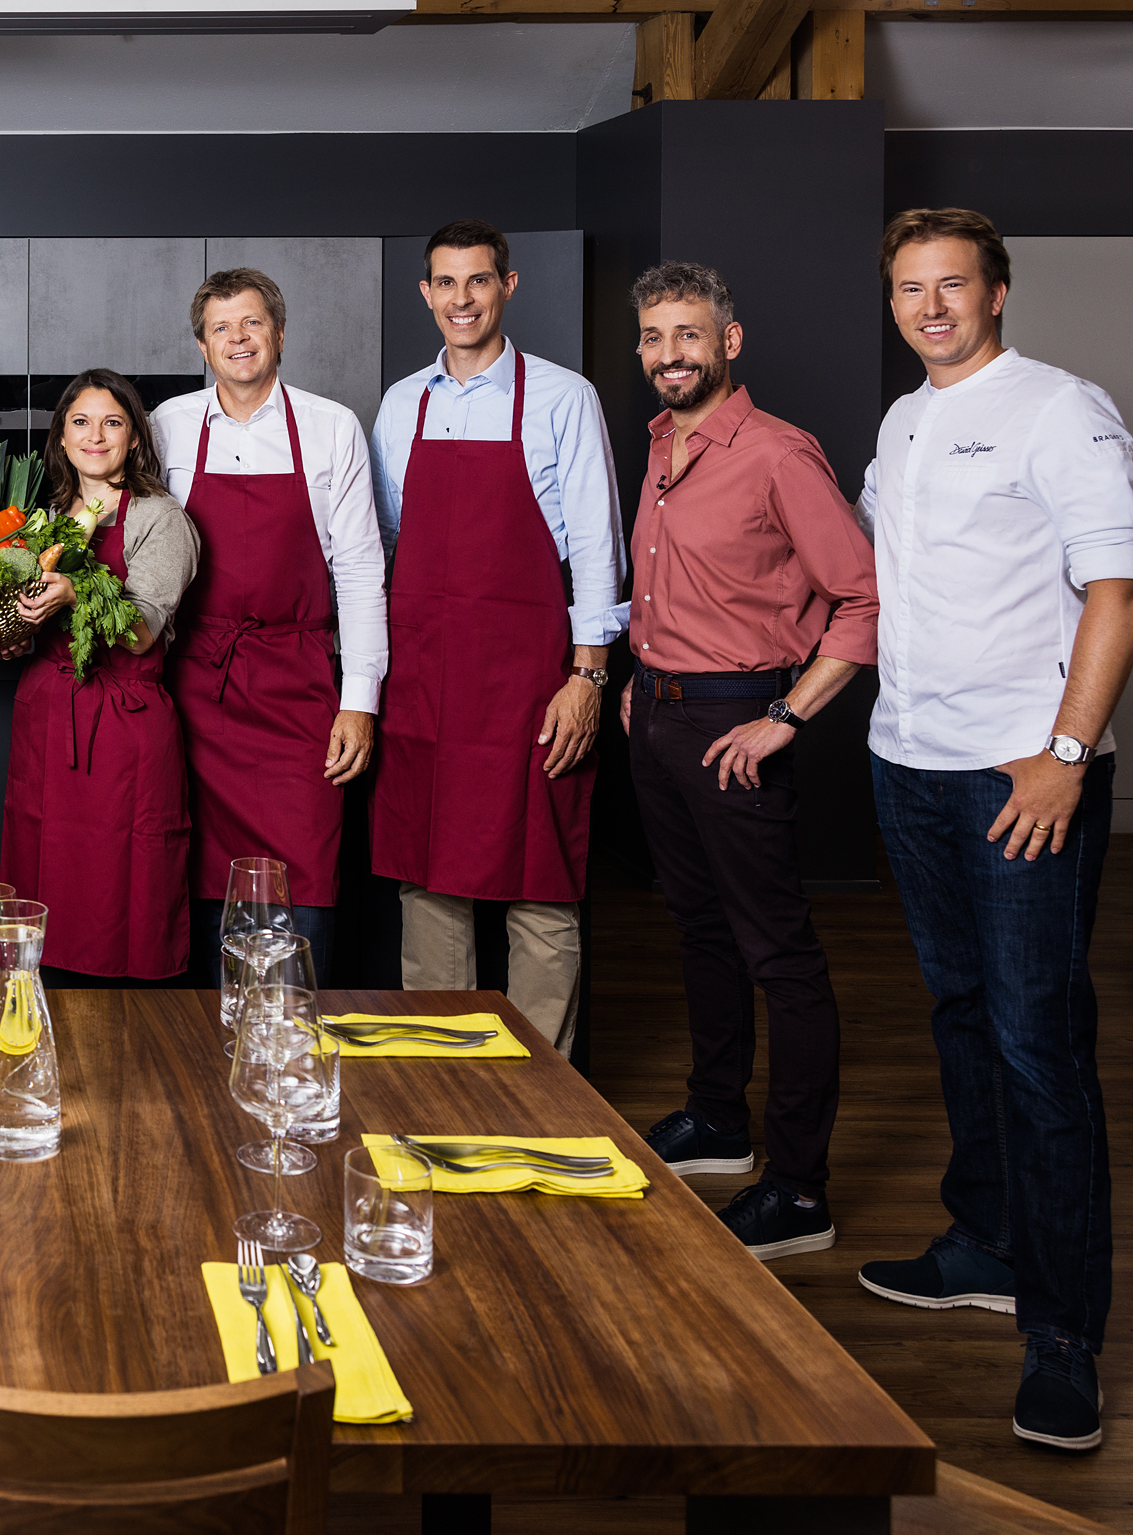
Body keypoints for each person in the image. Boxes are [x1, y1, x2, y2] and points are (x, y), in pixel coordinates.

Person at [853, 208, 1133, 1454]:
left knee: (1038, 1044)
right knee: (960, 1011)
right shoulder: (901, 418)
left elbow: (1115, 592)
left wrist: (1066, 756)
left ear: (996, 292)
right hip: (907, 761)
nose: (928, 306)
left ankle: (1062, 1332)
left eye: (950, 285)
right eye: (909, 288)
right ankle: (984, 1238)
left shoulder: (1058, 408)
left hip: (1017, 777)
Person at [619, 261, 878, 1261]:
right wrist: (644, 680)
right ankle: (717, 1118)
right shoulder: (657, 442)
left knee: (779, 953)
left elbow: (859, 597)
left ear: (728, 342)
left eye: (687, 334)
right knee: (698, 930)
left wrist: (784, 715)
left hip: (737, 718)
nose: (667, 353)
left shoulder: (775, 454)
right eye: (652, 337)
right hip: (660, 713)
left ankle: (799, 1189)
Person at [368, 220, 626, 1056]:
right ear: (425, 293)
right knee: (427, 882)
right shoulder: (402, 402)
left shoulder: (562, 396)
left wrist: (586, 676)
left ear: (507, 287)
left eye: (477, 281)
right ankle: (440, 1070)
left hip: (528, 679)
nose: (461, 299)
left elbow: (595, 546)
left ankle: (540, 1082)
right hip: (425, 678)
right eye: (445, 283)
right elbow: (390, 538)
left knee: (539, 882)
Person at [151, 269, 385, 976]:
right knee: (196, 873)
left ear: (279, 333)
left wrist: (359, 701)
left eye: (251, 323)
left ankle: (285, 1045)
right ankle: (203, 1050)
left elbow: (360, 571)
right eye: (221, 328)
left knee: (304, 866)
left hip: (298, 687)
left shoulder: (330, 425)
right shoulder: (167, 425)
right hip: (196, 685)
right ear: (201, 344)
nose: (237, 339)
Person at [1, 369, 200, 985]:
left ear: (134, 437)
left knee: (129, 893)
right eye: (80, 422)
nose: (95, 436)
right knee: (42, 885)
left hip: (125, 730)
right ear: (60, 438)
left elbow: (140, 628)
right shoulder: (41, 520)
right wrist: (4, 632)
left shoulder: (162, 521)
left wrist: (73, 593)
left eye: (112, 423)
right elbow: (20, 624)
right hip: (47, 718)